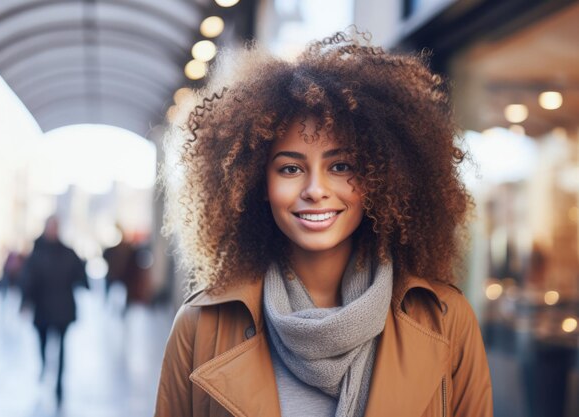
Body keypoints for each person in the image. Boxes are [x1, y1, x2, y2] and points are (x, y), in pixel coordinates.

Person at [155, 29, 492, 417]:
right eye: (291, 168)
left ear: (380, 177)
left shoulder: (448, 321)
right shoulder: (201, 325)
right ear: (257, 182)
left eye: (341, 166)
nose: (316, 189)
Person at [21, 215, 88, 407]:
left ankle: (59, 383)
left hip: (63, 308)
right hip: (42, 308)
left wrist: (83, 280)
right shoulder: (37, 253)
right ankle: (44, 366)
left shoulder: (68, 252)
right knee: (41, 341)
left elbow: (79, 274)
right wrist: (26, 301)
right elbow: (28, 279)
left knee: (62, 347)